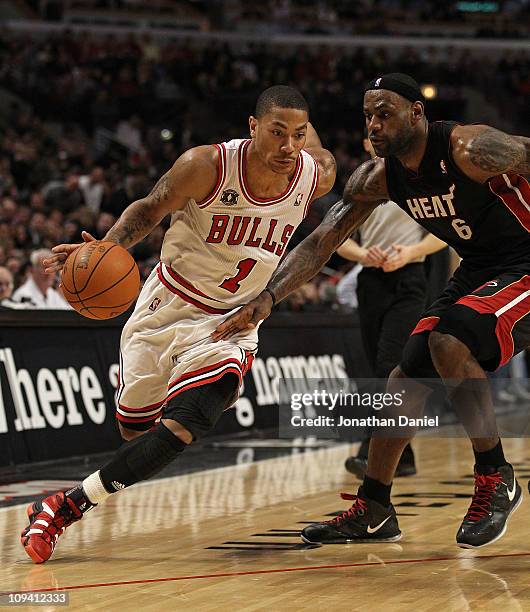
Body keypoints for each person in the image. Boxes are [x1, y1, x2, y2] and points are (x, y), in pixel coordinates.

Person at [20, 85, 336, 563]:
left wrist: (269, 299)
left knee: (189, 423)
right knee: (136, 432)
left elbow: (318, 229)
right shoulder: (206, 166)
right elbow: (148, 209)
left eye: (298, 135)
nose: (288, 147)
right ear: (252, 128)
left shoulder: (317, 175)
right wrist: (103, 250)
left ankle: (67, 505)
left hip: (233, 319)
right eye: (277, 133)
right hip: (169, 305)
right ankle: (72, 496)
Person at [213, 73, 530, 549]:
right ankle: (376, 506)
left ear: (416, 113)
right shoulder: (379, 177)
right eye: (368, 116)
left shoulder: (469, 147)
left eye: (386, 113)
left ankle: (494, 476)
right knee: (407, 373)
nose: (375, 125)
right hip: (481, 266)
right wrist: (269, 297)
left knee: (451, 341)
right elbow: (323, 242)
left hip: (525, 260)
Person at [337, 135, 446, 479]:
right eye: (368, 133)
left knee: (390, 363)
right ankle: (406, 455)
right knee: (378, 369)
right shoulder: (359, 183)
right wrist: (362, 255)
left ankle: (370, 451)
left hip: (410, 279)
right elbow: (336, 238)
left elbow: (442, 233)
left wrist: (409, 253)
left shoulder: (418, 181)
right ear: (366, 144)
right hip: (371, 280)